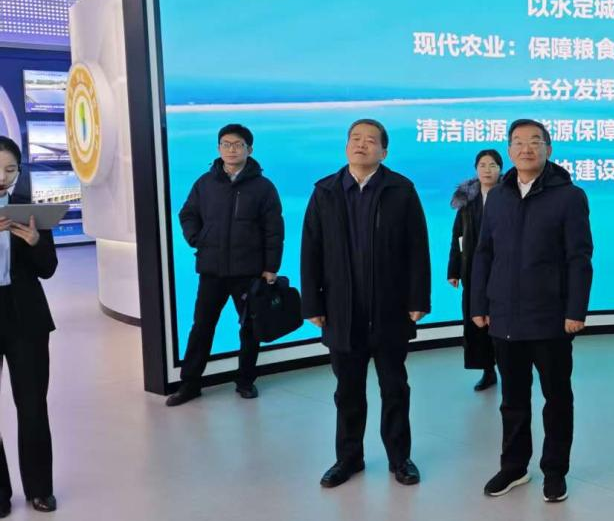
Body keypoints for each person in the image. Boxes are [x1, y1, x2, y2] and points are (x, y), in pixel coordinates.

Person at [301, 119, 430, 489]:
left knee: (395, 388)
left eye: (370, 140)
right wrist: (312, 303)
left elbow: (418, 248)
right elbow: (310, 249)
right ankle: (348, 459)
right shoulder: (325, 191)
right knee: (347, 391)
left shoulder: (401, 189)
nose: (361, 144)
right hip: (342, 311)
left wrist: (418, 298)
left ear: (383, 152)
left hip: (390, 309)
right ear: (346, 147)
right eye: (355, 139)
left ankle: (400, 458)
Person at [470, 119, 593, 504]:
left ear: (548, 149)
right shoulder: (498, 196)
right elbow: (484, 253)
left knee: (556, 398)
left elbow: (579, 258)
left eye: (535, 142)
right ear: (509, 151)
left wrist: (576, 309)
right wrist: (479, 303)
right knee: (512, 399)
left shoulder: (569, 196)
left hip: (550, 317)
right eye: (519, 142)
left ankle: (555, 471)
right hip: (504, 316)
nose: (526, 148)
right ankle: (514, 466)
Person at [167, 124, 284, 407]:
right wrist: (198, 239)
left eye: (238, 144)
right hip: (212, 270)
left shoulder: (263, 187)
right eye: (226, 144)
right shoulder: (205, 183)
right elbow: (187, 214)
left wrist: (271, 267)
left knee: (250, 329)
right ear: (219, 148)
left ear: (249, 149)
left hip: (249, 271)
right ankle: (189, 384)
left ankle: (245, 381)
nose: (232, 150)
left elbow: (274, 230)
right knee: (201, 327)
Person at [0, 136, 58, 516]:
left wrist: (36, 240)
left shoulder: (29, 210)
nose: (3, 178)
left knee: (33, 404)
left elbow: (48, 269)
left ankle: (39, 489)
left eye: (10, 170)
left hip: (26, 317)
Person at [447, 149, 503, 392]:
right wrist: (454, 270)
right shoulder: (467, 201)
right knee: (476, 321)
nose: (487, 170)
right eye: (482, 165)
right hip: (472, 270)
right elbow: (457, 236)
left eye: (492, 165)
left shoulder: (509, 195)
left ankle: (509, 366)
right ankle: (487, 369)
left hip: (502, 269)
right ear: (476, 169)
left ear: (500, 169)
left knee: (502, 320)